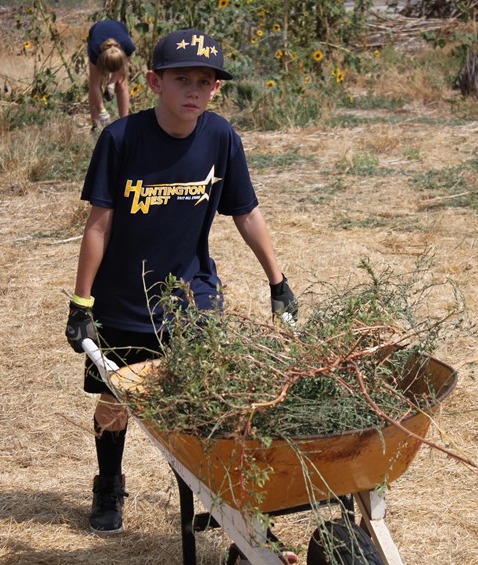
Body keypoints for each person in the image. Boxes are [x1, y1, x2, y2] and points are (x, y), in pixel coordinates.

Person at [65, 28, 298, 542]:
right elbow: (98, 225)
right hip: (122, 302)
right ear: (153, 81)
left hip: (192, 301)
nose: (194, 89)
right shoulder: (121, 141)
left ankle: (207, 489)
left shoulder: (221, 138)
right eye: (182, 79)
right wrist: (82, 301)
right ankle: (108, 485)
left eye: (205, 81)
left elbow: (247, 213)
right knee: (114, 400)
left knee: (201, 399)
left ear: (216, 88)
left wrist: (277, 281)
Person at [87, 19, 135, 130]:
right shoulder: (95, 51)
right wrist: (102, 112)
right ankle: (95, 125)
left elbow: (123, 69)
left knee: (122, 84)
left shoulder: (128, 47)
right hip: (97, 31)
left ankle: (124, 123)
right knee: (95, 83)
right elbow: (94, 86)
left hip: (120, 29)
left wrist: (112, 83)